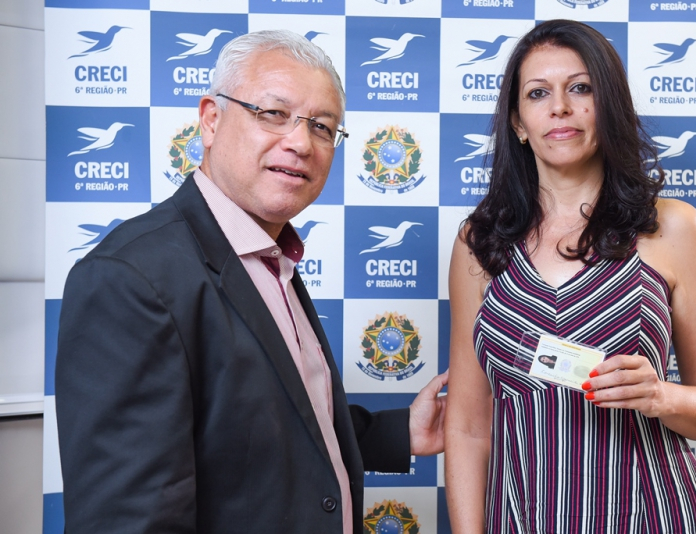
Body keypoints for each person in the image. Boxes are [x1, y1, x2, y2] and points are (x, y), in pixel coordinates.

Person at [55, 30, 447, 534]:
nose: (301, 142)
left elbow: (266, 421)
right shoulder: (129, 279)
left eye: (322, 127)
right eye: (273, 113)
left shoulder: (269, 254)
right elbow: (128, 519)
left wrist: (401, 432)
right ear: (211, 120)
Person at [444, 20, 696, 533]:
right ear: (518, 122)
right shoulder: (479, 241)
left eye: (580, 88)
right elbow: (469, 427)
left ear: (608, 106)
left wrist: (661, 395)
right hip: (523, 518)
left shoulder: (672, 227)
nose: (559, 107)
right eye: (538, 93)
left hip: (656, 515)